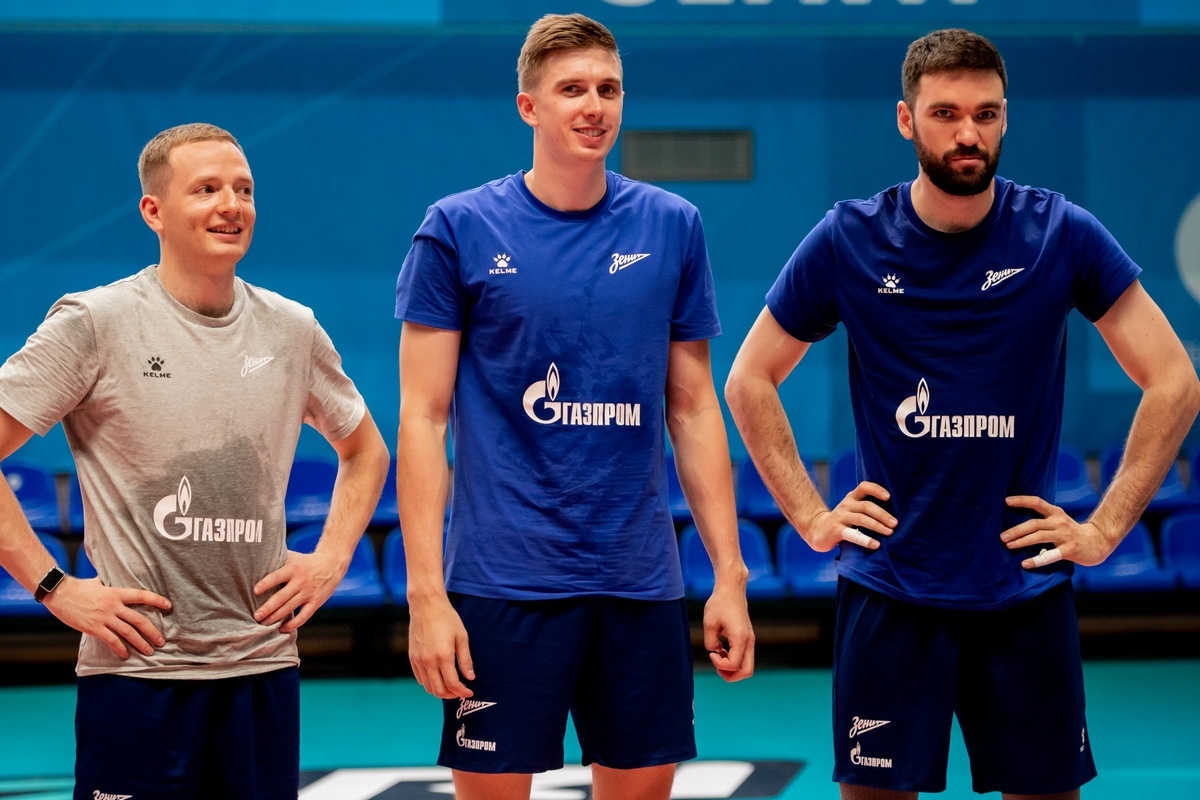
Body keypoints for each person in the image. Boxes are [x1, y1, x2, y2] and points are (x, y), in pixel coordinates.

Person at [725, 28, 1200, 800]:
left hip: (1024, 591)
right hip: (891, 589)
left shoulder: (1061, 234)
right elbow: (749, 379)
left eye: (986, 113)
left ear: (1006, 117)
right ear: (907, 120)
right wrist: (810, 517)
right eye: (945, 113)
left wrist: (1106, 528)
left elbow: (1174, 380)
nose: (968, 133)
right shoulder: (849, 239)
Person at [395, 13, 754, 800]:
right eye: (572, 90)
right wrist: (426, 595)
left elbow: (694, 408)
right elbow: (422, 418)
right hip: (502, 583)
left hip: (638, 581)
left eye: (608, 89)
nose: (594, 107)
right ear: (529, 106)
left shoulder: (673, 226)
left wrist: (729, 575)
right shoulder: (457, 228)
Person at [0, 123, 389, 799]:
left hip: (263, 668)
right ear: (153, 211)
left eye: (244, 189)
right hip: (138, 673)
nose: (231, 205)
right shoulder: (94, 322)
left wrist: (330, 560)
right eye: (206, 189)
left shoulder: (292, 329)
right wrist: (56, 588)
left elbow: (366, 451)